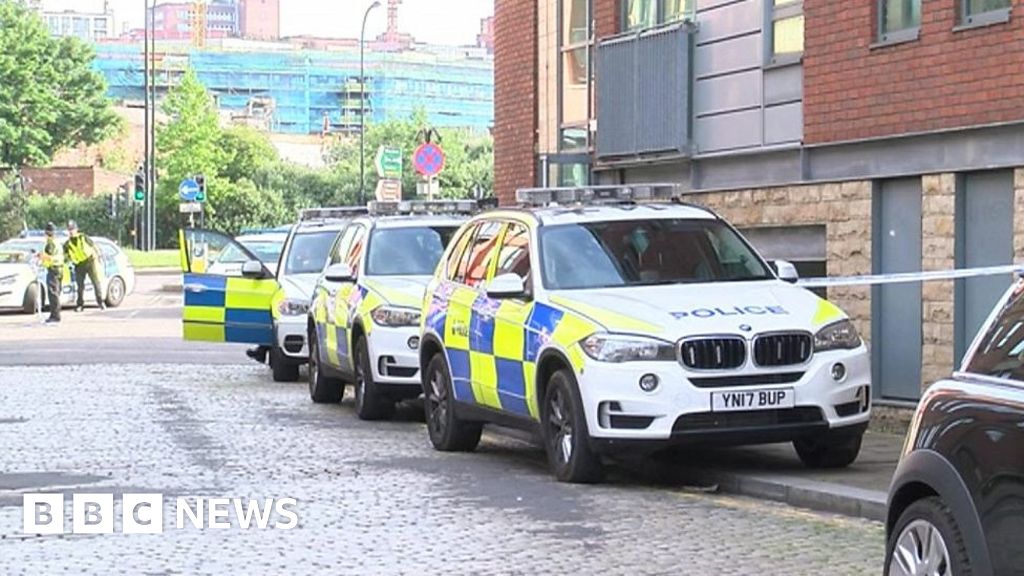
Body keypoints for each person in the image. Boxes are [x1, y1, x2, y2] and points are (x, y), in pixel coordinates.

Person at [63, 220, 106, 312]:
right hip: (79, 265)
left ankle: (100, 302)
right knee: (80, 286)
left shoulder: (83, 237)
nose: (71, 232)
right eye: (69, 230)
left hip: (90, 261)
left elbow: (94, 245)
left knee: (96, 283)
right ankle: (80, 305)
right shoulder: (67, 244)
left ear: (76, 229)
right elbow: (65, 256)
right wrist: (67, 261)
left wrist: (99, 256)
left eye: (72, 229)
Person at [38, 222, 64, 323]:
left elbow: (49, 256)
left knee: (53, 293)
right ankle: (55, 314)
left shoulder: (51, 243)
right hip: (59, 269)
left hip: (53, 269)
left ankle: (55, 316)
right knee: (56, 292)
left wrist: (41, 257)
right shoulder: (57, 242)